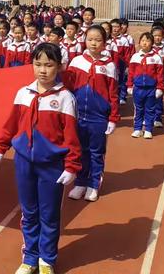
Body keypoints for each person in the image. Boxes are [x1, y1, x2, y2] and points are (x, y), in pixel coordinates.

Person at [0, 43, 81, 274]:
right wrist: (1, 147)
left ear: (59, 67)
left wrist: (72, 166)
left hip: (52, 166)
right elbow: (11, 124)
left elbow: (72, 136)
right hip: (23, 162)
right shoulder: (23, 93)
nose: (43, 70)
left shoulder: (65, 98)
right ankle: (30, 257)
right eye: (38, 64)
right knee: (29, 212)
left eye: (49, 65)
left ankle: (47, 259)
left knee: (49, 214)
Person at [65, 25, 119, 202]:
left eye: (98, 40)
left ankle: (94, 184)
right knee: (80, 151)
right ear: (85, 40)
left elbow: (113, 93)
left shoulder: (109, 66)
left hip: (99, 118)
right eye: (90, 39)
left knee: (96, 152)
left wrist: (113, 118)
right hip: (79, 116)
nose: (93, 43)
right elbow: (68, 88)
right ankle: (80, 182)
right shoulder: (77, 62)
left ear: (104, 43)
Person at [127, 32, 164, 139]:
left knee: (150, 109)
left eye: (147, 41)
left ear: (152, 43)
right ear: (139, 42)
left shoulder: (156, 58)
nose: (145, 43)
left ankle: (148, 129)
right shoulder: (135, 57)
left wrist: (160, 88)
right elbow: (131, 73)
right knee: (138, 109)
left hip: (151, 89)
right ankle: (137, 129)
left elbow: (160, 74)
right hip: (138, 88)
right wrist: (129, 85)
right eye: (142, 40)